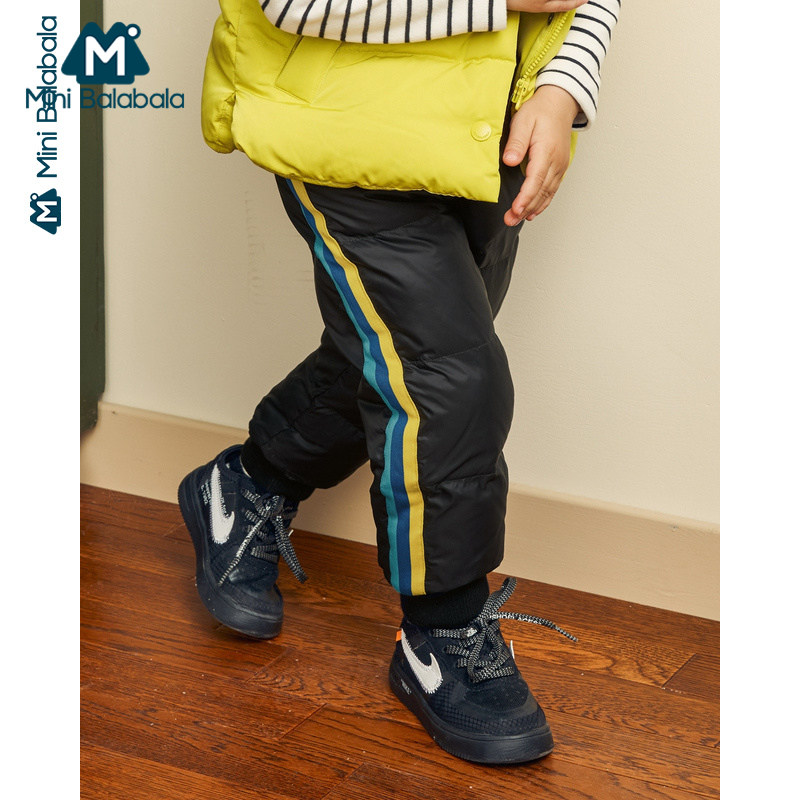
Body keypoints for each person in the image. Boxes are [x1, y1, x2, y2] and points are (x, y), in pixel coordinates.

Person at [180, 0, 619, 764]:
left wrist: (562, 89)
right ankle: (442, 632)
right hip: (342, 126)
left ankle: (248, 483)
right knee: (451, 376)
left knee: (407, 360)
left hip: (484, 134)